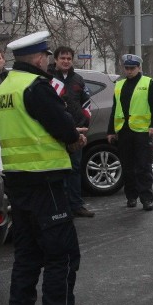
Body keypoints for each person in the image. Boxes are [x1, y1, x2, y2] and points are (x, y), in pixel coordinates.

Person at [0, 30, 94, 305]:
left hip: (18, 182)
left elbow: (29, 128)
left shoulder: (5, 88)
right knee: (61, 255)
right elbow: (61, 125)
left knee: (26, 256)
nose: (47, 62)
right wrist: (74, 137)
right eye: (46, 57)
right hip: (46, 182)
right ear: (39, 58)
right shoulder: (36, 87)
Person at [106, 53, 153, 211]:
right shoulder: (119, 85)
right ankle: (131, 196)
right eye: (127, 68)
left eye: (132, 68)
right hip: (124, 131)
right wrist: (111, 130)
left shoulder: (148, 83)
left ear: (139, 68)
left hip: (142, 132)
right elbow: (114, 109)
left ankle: (146, 199)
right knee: (127, 166)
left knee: (143, 166)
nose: (129, 71)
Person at [48, 46, 95, 218]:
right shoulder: (48, 79)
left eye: (68, 58)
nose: (66, 61)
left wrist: (84, 121)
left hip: (76, 131)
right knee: (57, 170)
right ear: (56, 60)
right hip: (56, 133)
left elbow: (86, 102)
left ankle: (76, 205)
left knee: (75, 169)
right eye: (63, 58)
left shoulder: (78, 80)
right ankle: (61, 207)